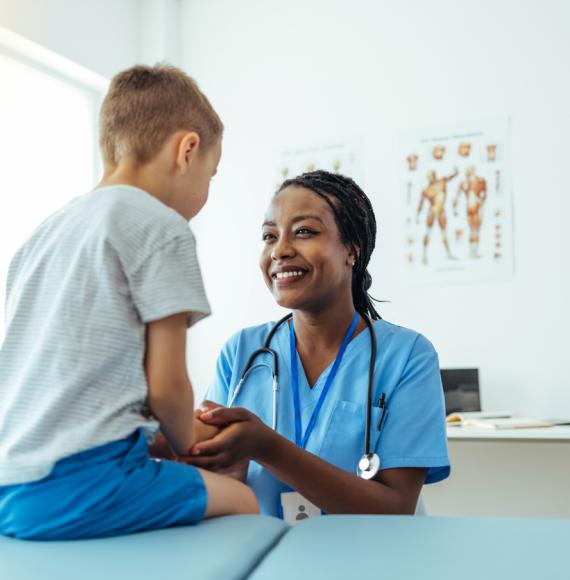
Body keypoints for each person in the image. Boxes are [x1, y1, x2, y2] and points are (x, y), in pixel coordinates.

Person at [0, 65, 258, 540]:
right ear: (188, 150)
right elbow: (167, 388)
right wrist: (189, 444)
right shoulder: (161, 226)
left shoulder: (44, 234)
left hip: (10, 487)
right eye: (211, 175)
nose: (206, 192)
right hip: (83, 482)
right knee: (241, 499)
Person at [188, 170, 450, 520]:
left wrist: (267, 448)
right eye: (269, 236)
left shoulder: (408, 356)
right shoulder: (242, 352)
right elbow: (211, 470)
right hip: (264, 558)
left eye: (304, 232)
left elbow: (396, 507)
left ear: (352, 249)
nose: (280, 250)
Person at [416, 168, 459, 264]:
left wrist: (456, 173)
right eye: (429, 177)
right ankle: (424, 255)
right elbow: (421, 203)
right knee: (428, 232)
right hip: (432, 211)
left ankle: (448, 253)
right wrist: (417, 216)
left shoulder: (442, 182)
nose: (430, 178)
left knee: (444, 233)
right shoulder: (427, 190)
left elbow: (450, 177)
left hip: (441, 211)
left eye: (431, 176)